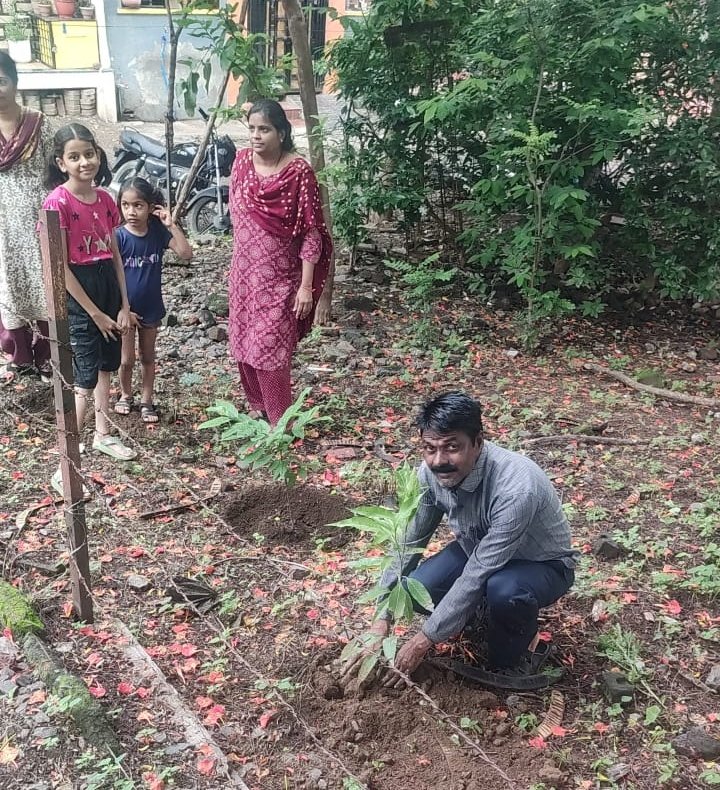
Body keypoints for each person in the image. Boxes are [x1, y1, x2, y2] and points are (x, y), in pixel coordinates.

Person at [343, 392, 578, 690]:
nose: (439, 461)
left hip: (540, 564)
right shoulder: (429, 475)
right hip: (478, 548)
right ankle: (480, 613)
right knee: (418, 589)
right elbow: (409, 543)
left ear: (478, 442)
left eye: (452, 448)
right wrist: (381, 619)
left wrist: (422, 640)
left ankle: (525, 648)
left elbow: (479, 571)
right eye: (430, 448)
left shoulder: (516, 488)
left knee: (504, 594)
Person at [40, 123, 137, 495]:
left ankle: (102, 433)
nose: (85, 162)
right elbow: (60, 266)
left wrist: (123, 304)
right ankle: (65, 462)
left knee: (107, 366)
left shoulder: (107, 199)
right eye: (75, 156)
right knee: (83, 375)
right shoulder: (57, 203)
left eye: (90, 153)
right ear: (60, 162)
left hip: (107, 285)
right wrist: (93, 312)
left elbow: (114, 253)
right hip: (79, 291)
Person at [228, 99, 332, 424]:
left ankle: (280, 424)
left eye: (265, 129)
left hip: (281, 280)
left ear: (282, 132)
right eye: (252, 129)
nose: (256, 136)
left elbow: (312, 232)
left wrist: (305, 287)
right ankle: (258, 411)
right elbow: (236, 219)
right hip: (244, 277)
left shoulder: (298, 172)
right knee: (244, 347)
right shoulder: (241, 163)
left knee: (270, 353)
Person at [114, 177, 192, 423]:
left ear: (150, 207)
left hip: (151, 307)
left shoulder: (158, 232)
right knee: (126, 359)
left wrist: (171, 224)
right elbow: (111, 278)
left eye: (138, 205)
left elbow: (186, 254)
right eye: (126, 205)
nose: (132, 211)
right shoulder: (118, 237)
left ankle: (147, 400)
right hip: (126, 309)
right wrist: (122, 309)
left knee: (148, 356)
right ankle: (125, 394)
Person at [0, 52, 54, 384]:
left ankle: (48, 354)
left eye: (2, 81)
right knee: (8, 285)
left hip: (38, 220)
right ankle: (17, 355)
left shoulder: (39, 124)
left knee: (44, 284)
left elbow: (59, 169)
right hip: (2, 225)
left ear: (16, 84)